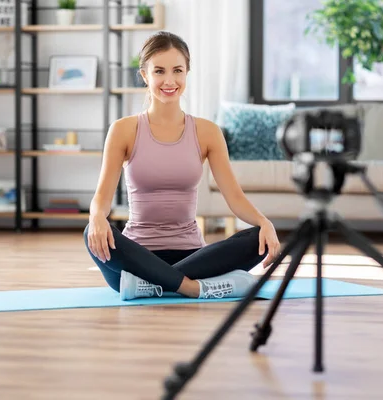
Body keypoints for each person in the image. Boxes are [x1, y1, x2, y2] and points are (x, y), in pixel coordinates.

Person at [83, 31, 281, 301]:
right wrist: (96, 217)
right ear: (145, 75)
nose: (169, 80)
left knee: (257, 238)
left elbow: (234, 197)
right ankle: (190, 287)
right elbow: (102, 199)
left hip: (192, 254)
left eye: (177, 70)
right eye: (159, 71)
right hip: (137, 255)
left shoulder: (207, 132)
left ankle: (153, 285)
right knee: (90, 232)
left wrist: (264, 222)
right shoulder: (123, 130)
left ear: (187, 73)